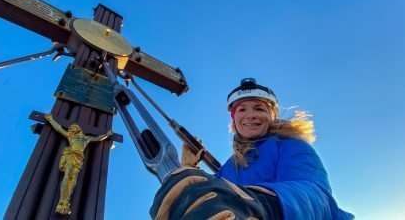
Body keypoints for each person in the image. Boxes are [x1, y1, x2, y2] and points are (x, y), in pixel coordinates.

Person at [151, 78, 354, 219]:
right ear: (234, 120)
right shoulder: (230, 168)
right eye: (242, 110)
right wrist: (190, 168)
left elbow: (316, 195)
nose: (251, 115)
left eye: (259, 108)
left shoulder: (290, 145)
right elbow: (211, 200)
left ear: (271, 115)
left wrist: (265, 205)